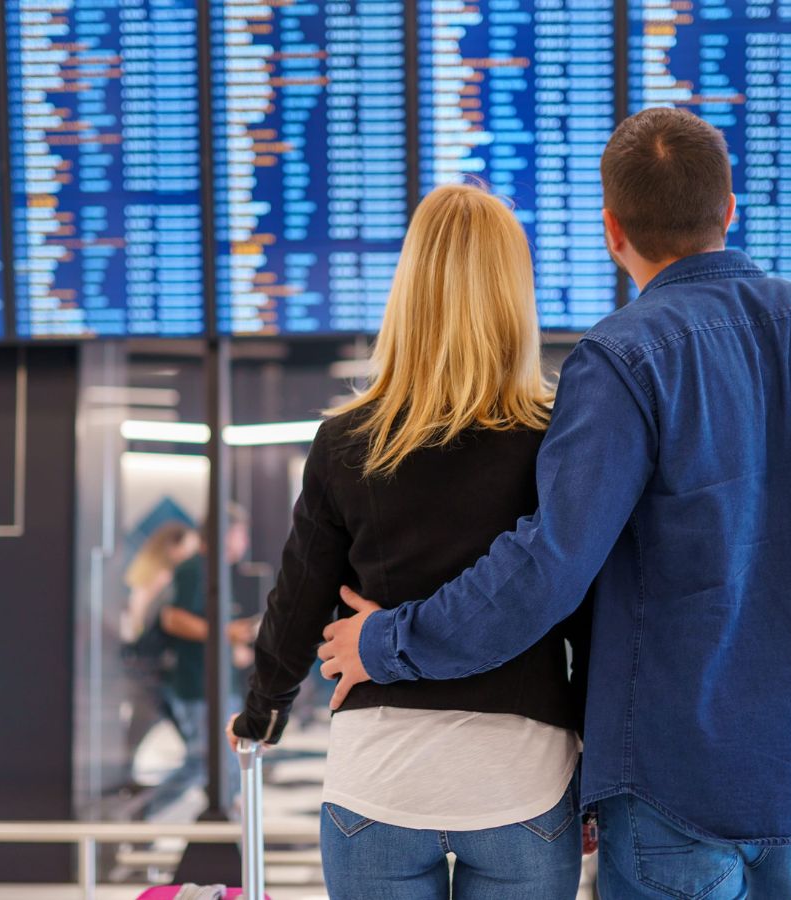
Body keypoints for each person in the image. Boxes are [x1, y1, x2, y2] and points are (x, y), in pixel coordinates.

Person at [318, 108, 791, 899]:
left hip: (676, 781)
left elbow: (547, 569)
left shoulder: (623, 359)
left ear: (611, 229)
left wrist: (388, 642)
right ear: (729, 211)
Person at [230, 183, 588, 899]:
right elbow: (589, 609)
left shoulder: (346, 441)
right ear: (515, 294)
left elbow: (300, 595)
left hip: (379, 783)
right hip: (524, 781)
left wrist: (264, 709)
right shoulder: (559, 439)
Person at [148, 506, 255, 817]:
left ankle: (234, 830)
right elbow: (173, 619)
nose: (244, 542)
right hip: (198, 686)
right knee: (204, 762)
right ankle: (143, 820)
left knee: (226, 762)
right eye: (241, 534)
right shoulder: (196, 569)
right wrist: (224, 633)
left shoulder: (215, 571)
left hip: (218, 685)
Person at [106, 521, 199, 796]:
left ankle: (126, 791)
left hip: (143, 669)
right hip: (154, 672)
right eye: (189, 548)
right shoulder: (165, 580)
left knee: (139, 735)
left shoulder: (144, 578)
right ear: (172, 547)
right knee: (197, 749)